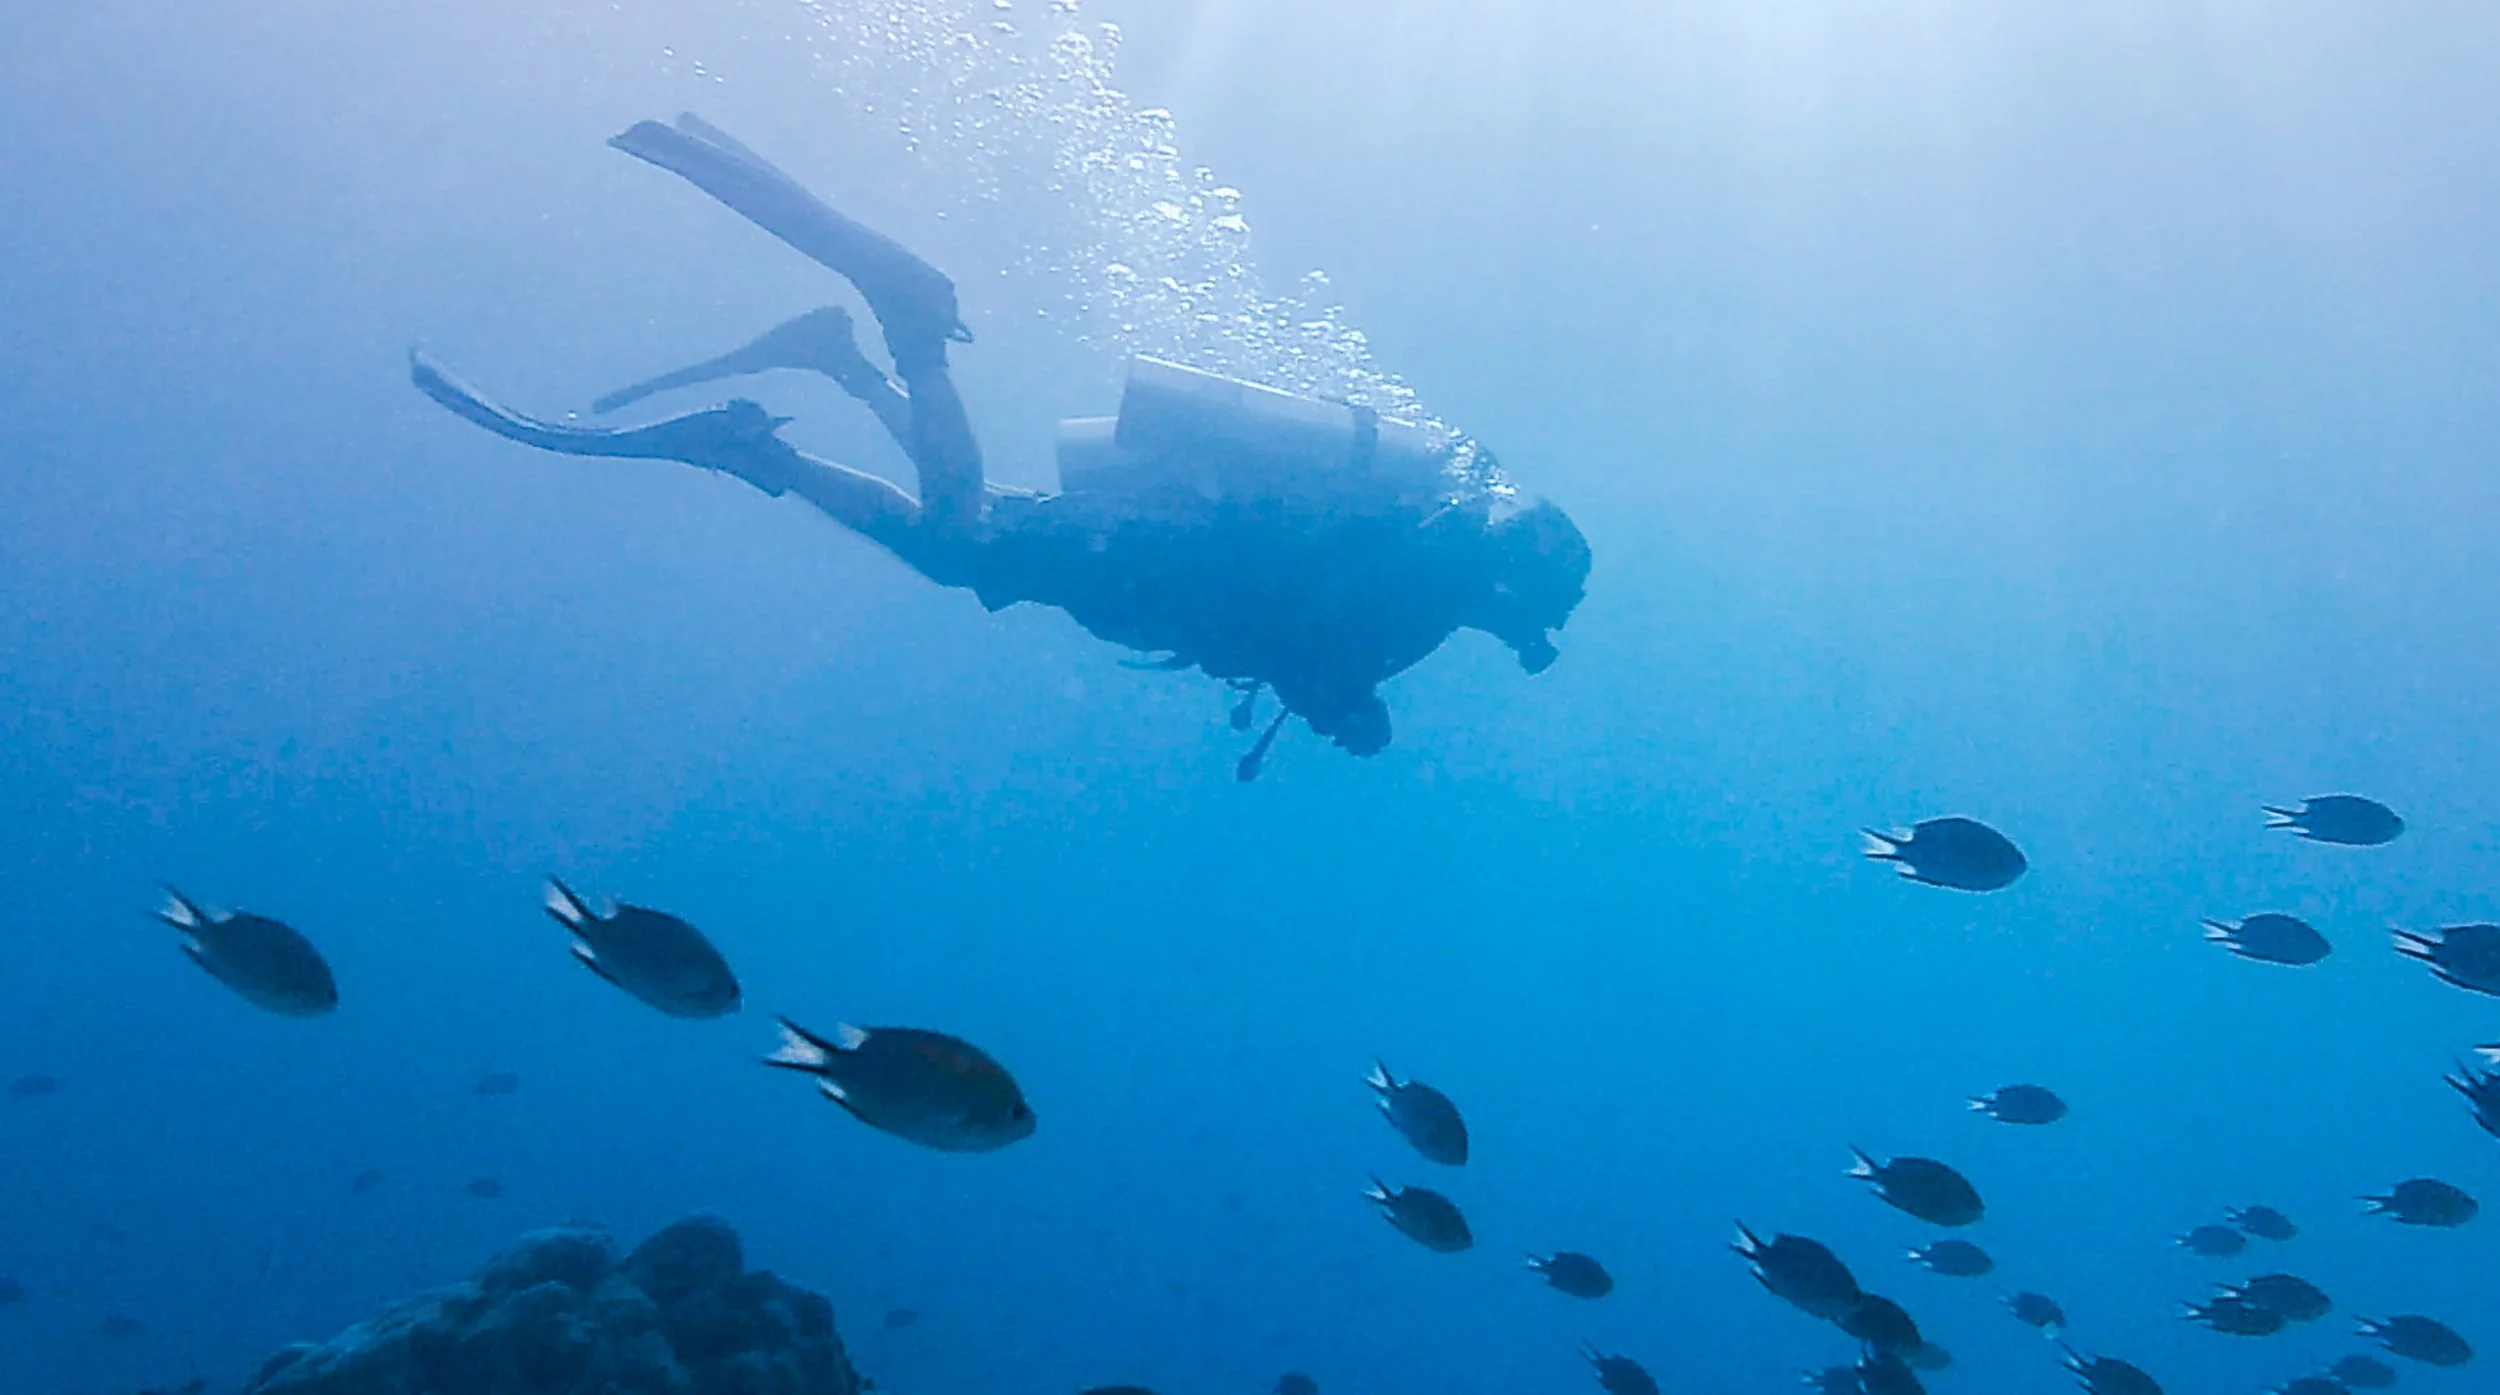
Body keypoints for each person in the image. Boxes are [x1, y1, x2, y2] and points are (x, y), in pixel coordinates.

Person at [413, 114, 1590, 778]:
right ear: (1511, 577)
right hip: (1152, 562)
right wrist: (1351, 714)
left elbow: (1310, 617)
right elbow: (1310, 647)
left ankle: (817, 390)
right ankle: (902, 337)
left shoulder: (1433, 557)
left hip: (1152, 554)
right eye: (1527, 611)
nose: (1517, 632)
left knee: (966, 539)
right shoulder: (1427, 589)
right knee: (966, 538)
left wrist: (1342, 689)